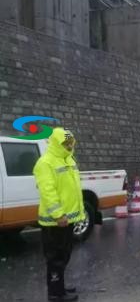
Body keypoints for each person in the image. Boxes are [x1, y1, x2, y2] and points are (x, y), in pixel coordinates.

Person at [33, 128, 83, 302]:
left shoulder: (68, 159)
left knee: (64, 255)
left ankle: (59, 285)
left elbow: (73, 190)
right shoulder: (45, 163)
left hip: (67, 220)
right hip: (55, 222)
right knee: (56, 258)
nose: (69, 146)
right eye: (66, 143)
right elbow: (48, 192)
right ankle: (55, 293)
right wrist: (58, 215)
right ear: (56, 143)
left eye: (71, 142)